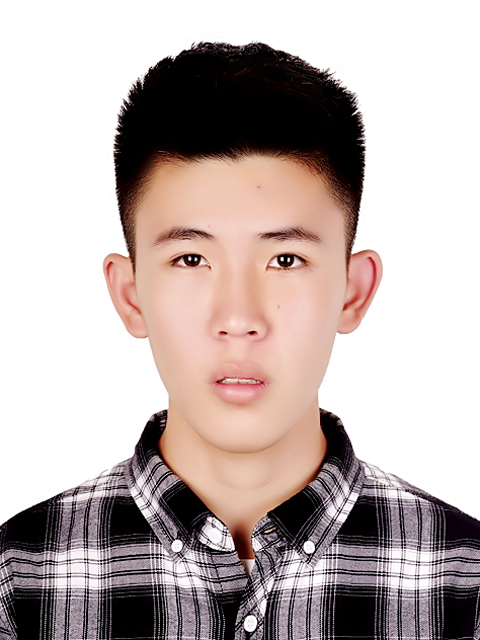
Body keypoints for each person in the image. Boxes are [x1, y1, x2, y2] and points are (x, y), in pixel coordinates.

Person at [0, 40, 479, 640]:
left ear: (353, 291)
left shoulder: (465, 585)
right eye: (191, 258)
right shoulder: (19, 581)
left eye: (285, 259)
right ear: (130, 295)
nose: (239, 317)